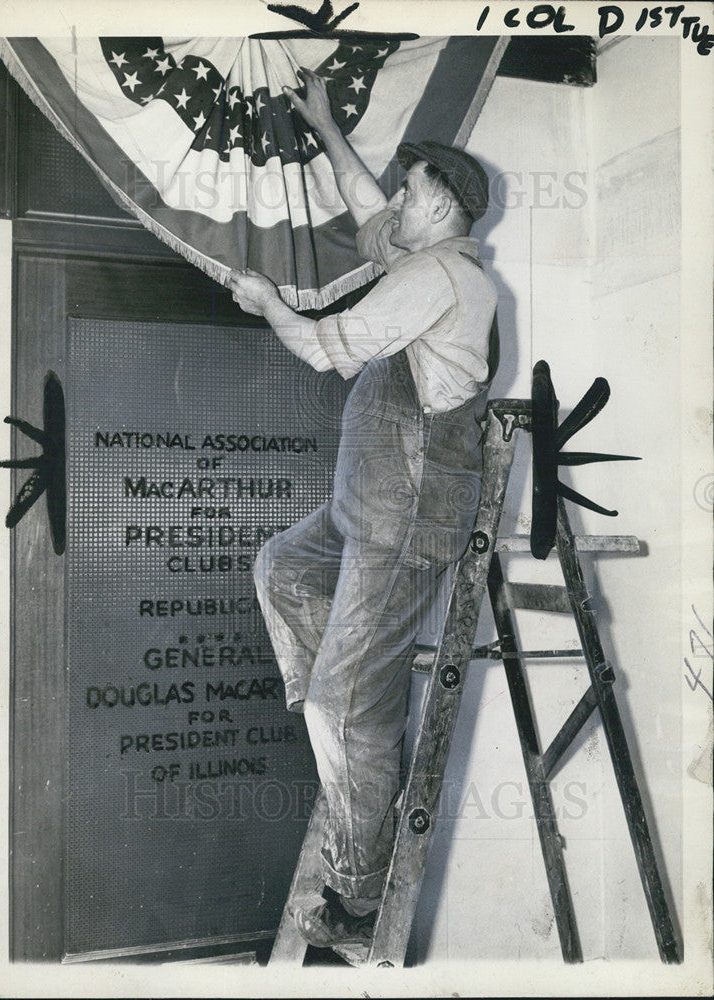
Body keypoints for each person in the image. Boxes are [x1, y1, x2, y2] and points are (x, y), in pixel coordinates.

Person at [228, 67, 498, 951]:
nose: (398, 204)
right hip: (363, 510)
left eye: (413, 192)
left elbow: (324, 351)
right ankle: (343, 720)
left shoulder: (442, 280)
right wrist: (323, 121)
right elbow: (364, 203)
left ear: (443, 208)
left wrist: (267, 302)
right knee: (283, 568)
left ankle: (352, 884)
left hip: (407, 521)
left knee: (344, 706)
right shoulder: (423, 254)